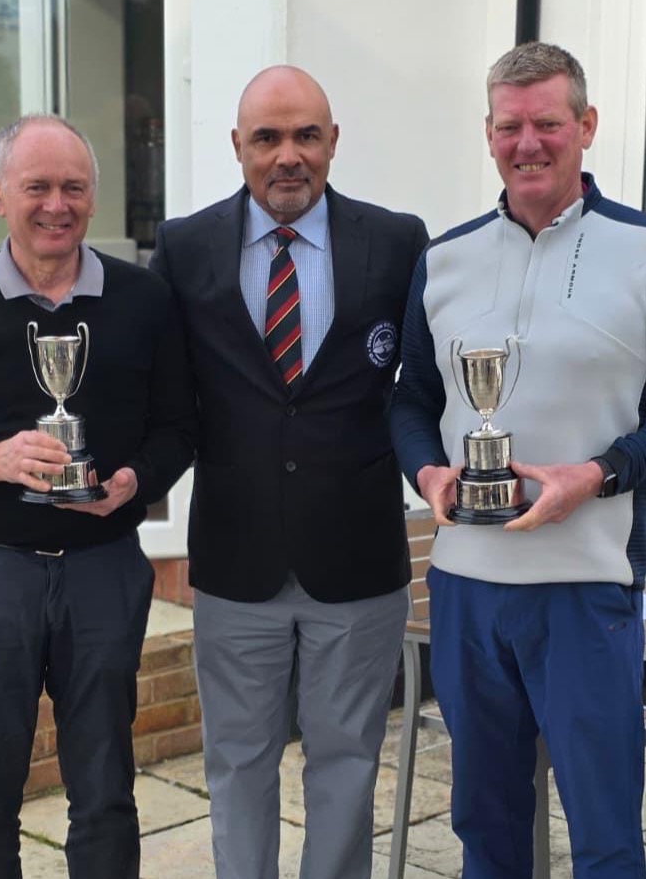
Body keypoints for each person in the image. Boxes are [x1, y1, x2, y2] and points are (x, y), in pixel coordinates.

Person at [390, 42, 646, 879]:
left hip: (585, 587)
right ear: (488, 133)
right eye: (510, 126)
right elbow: (410, 399)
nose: (527, 143)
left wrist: (599, 473)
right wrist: (428, 473)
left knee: (603, 832)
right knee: (485, 825)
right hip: (465, 588)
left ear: (586, 125)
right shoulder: (444, 259)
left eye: (547, 123)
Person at [0, 114, 196, 879]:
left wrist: (133, 482)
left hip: (103, 568)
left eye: (73, 188)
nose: (56, 205)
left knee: (106, 789)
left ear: (93, 196)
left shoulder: (144, 299)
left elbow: (178, 427)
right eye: (37, 187)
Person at [149, 65, 428, 879]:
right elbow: (164, 395)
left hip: (359, 558)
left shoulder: (396, 241)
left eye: (307, 135)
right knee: (238, 762)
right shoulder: (185, 247)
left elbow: (424, 385)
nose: (288, 156)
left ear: (333, 141)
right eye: (267, 138)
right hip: (237, 559)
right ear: (237, 146)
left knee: (348, 761)